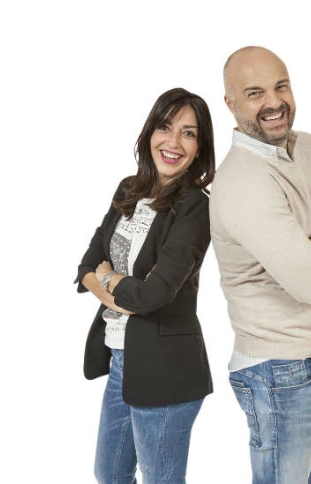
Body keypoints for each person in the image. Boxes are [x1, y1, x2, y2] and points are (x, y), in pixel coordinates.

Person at [209, 46, 311, 483]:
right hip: (278, 369)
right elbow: (310, 283)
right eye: (255, 93)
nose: (274, 102)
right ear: (231, 104)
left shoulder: (308, 147)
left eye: (281, 86)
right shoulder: (243, 180)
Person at [74, 87, 215, 484]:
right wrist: (119, 291)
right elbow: (86, 266)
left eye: (188, 133)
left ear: (199, 148)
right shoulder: (127, 189)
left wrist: (108, 279)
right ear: (150, 131)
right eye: (165, 127)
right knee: (110, 473)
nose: (173, 142)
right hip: (123, 361)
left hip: (167, 367)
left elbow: (153, 296)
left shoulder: (195, 206)